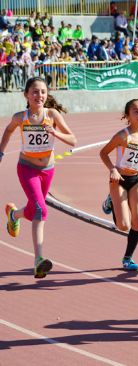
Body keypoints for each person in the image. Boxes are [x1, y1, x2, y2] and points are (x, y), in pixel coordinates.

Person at [0, 76, 77, 278]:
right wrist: (1, 152)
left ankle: (13, 215)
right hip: (26, 168)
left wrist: (55, 133)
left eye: (43, 92)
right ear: (26, 95)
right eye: (34, 91)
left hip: (48, 169)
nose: (39, 95)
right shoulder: (20, 117)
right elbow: (7, 131)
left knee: (35, 209)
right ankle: (38, 260)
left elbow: (73, 140)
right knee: (41, 209)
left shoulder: (52, 114)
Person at [99, 99, 138, 271]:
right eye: (136, 111)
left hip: (135, 180)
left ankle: (127, 258)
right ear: (128, 116)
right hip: (118, 180)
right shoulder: (122, 136)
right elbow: (103, 153)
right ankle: (110, 201)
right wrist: (112, 169)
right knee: (123, 226)